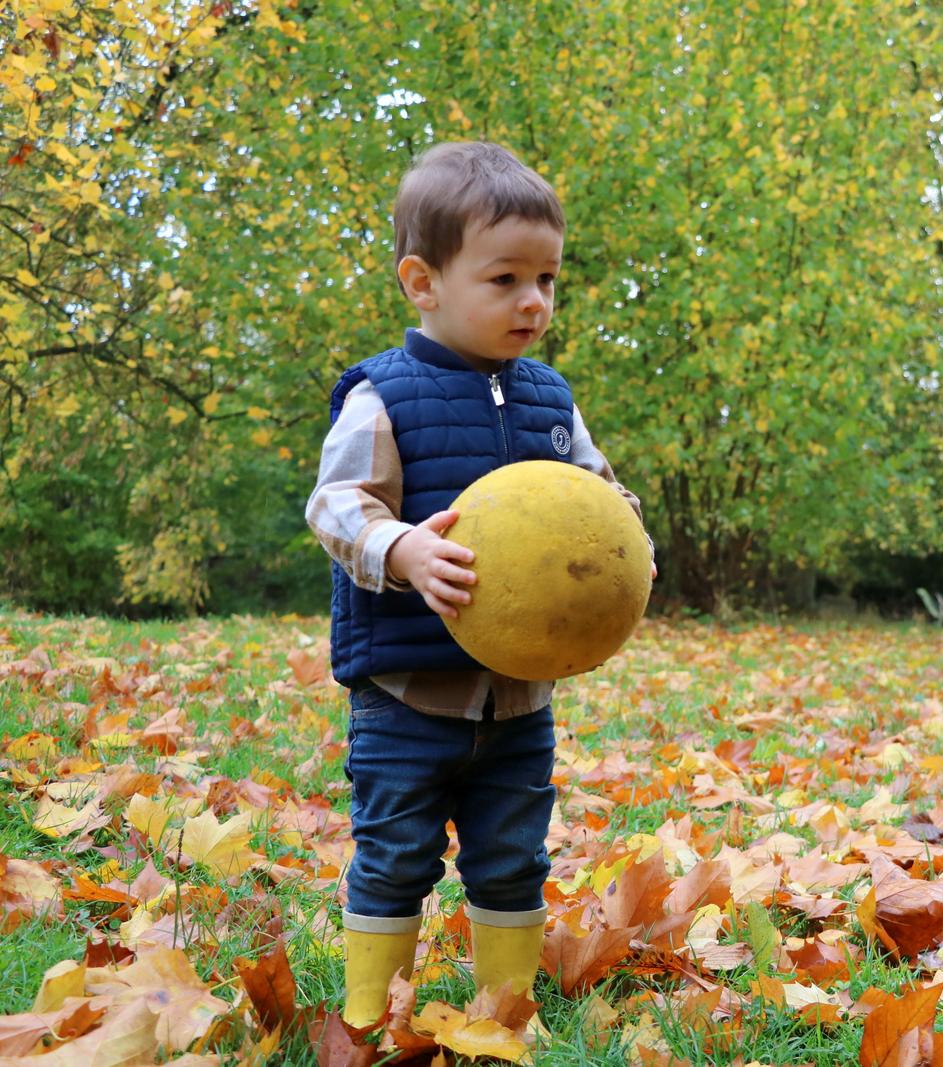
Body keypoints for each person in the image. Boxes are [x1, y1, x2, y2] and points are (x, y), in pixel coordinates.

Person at [305, 141, 650, 1027]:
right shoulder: (384, 394)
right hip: (407, 694)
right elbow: (336, 505)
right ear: (423, 282)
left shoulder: (550, 400)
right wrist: (401, 550)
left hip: (519, 700)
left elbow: (600, 499)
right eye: (505, 279)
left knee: (512, 856)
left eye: (547, 279)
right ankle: (370, 1012)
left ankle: (505, 1010)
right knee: (395, 855)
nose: (534, 300)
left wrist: (632, 545)